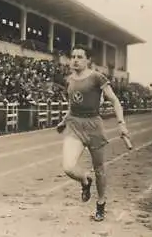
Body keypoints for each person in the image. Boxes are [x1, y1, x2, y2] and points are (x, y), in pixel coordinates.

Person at [56, 44, 130, 222]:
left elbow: (114, 100)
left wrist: (121, 124)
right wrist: (64, 120)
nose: (75, 59)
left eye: (80, 57)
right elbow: (72, 105)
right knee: (68, 167)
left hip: (94, 127)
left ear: (88, 60)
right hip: (75, 125)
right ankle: (84, 180)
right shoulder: (70, 79)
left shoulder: (97, 77)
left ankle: (101, 204)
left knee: (99, 169)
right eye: (73, 56)